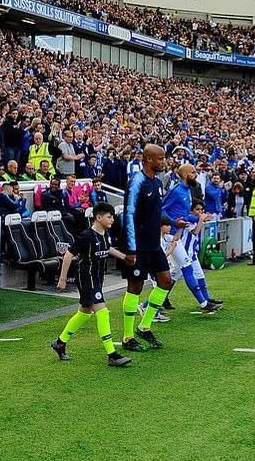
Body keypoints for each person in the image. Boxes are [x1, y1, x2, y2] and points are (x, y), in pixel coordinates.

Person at [52, 202, 132, 367]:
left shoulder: (104, 234)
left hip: (97, 279)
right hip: (86, 278)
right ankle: (112, 354)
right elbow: (68, 254)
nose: (112, 220)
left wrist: (124, 257)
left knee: (85, 312)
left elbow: (107, 248)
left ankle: (60, 342)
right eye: (109, 217)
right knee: (102, 312)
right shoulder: (86, 235)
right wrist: (62, 278)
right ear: (98, 217)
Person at [121, 144, 173, 352]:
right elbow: (129, 216)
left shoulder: (157, 182)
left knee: (166, 281)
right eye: (160, 159)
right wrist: (131, 249)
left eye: (164, 158)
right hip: (139, 247)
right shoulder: (136, 183)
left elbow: (153, 212)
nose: (163, 162)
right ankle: (127, 337)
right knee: (135, 287)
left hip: (153, 244)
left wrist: (170, 223)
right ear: (148, 159)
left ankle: (145, 326)